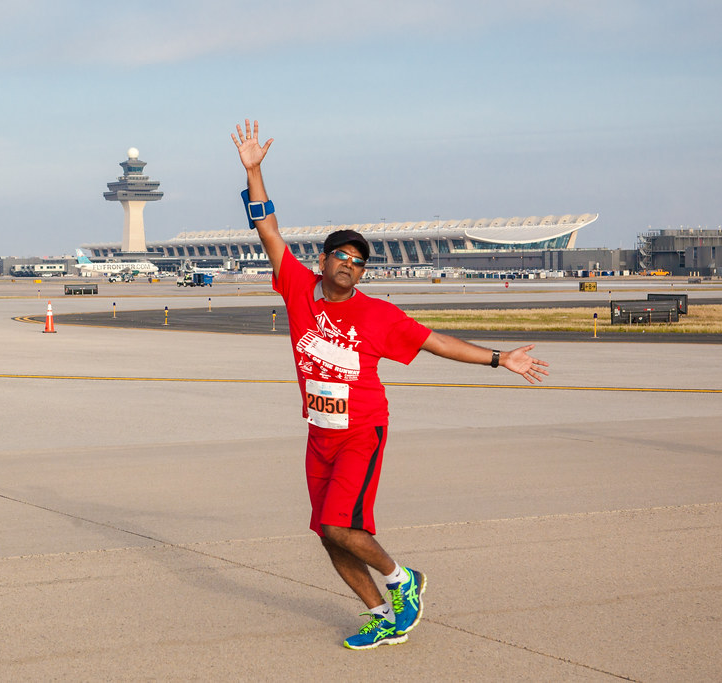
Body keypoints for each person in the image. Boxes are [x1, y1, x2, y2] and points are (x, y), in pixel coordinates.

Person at [232, 119, 550, 650]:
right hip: (319, 432)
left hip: (362, 430)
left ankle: (404, 582)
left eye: (359, 263)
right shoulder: (297, 288)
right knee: (328, 535)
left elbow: (437, 343)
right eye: (342, 257)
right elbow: (267, 229)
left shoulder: (378, 315)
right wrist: (255, 171)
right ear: (323, 260)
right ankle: (382, 613)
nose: (350, 266)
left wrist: (500, 359)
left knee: (340, 526)